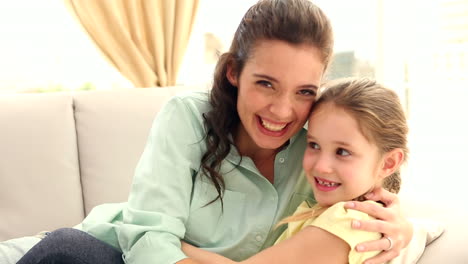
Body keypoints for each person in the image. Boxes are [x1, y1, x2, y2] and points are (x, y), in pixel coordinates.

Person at [14, 1, 412, 264]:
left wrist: (403, 230)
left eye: (304, 92)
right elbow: (149, 241)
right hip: (121, 255)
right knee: (67, 251)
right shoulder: (188, 117)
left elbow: (369, 208)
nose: (282, 110)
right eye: (266, 84)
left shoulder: (320, 146)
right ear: (234, 73)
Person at [180, 77, 409, 264]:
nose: (321, 166)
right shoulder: (339, 213)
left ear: (388, 163)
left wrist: (167, 242)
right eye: (314, 145)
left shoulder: (350, 222)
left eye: (342, 152)